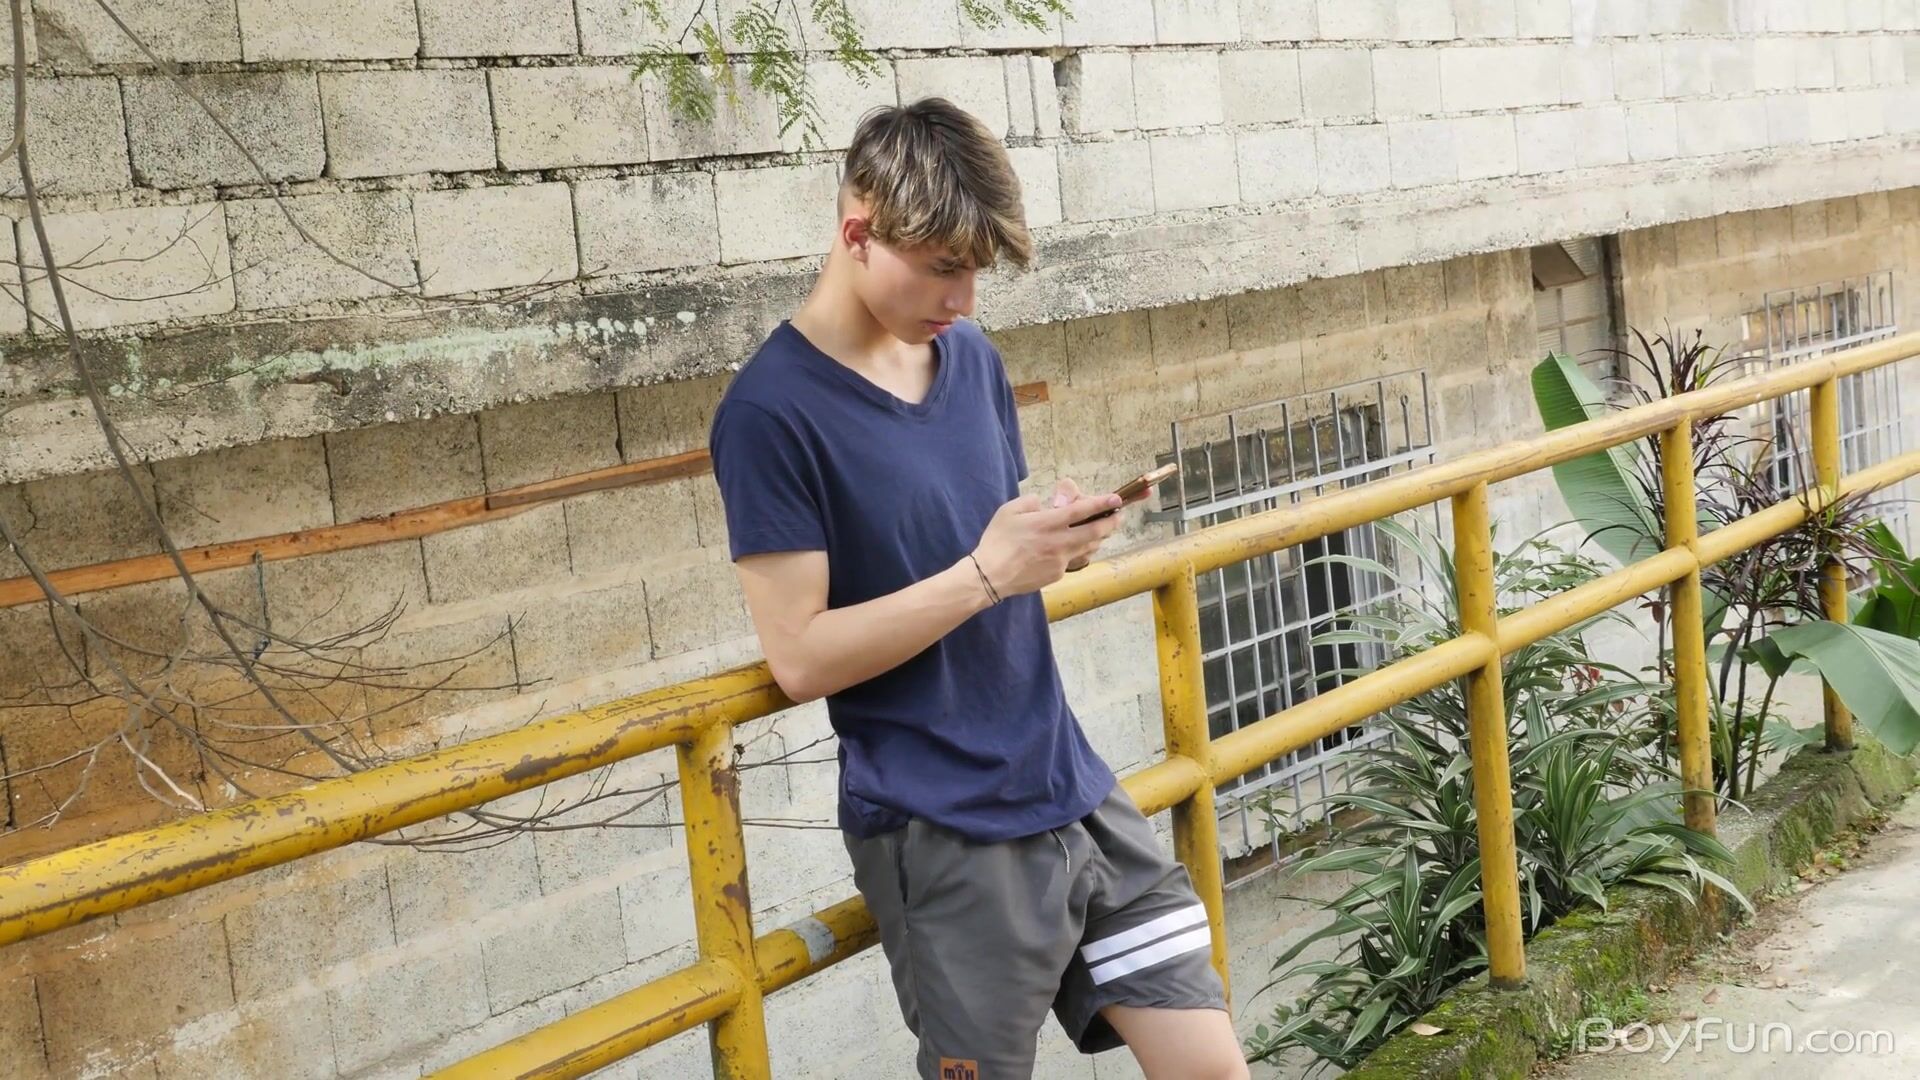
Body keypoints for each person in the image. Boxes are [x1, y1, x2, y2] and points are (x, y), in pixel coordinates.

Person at [708, 97, 1250, 1080]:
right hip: (944, 827)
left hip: (1071, 785)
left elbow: (981, 564)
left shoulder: (972, 361)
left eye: (978, 271)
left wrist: (1051, 546)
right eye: (943, 267)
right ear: (858, 234)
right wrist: (989, 571)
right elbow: (800, 657)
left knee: (1212, 1067)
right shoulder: (769, 414)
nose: (963, 298)